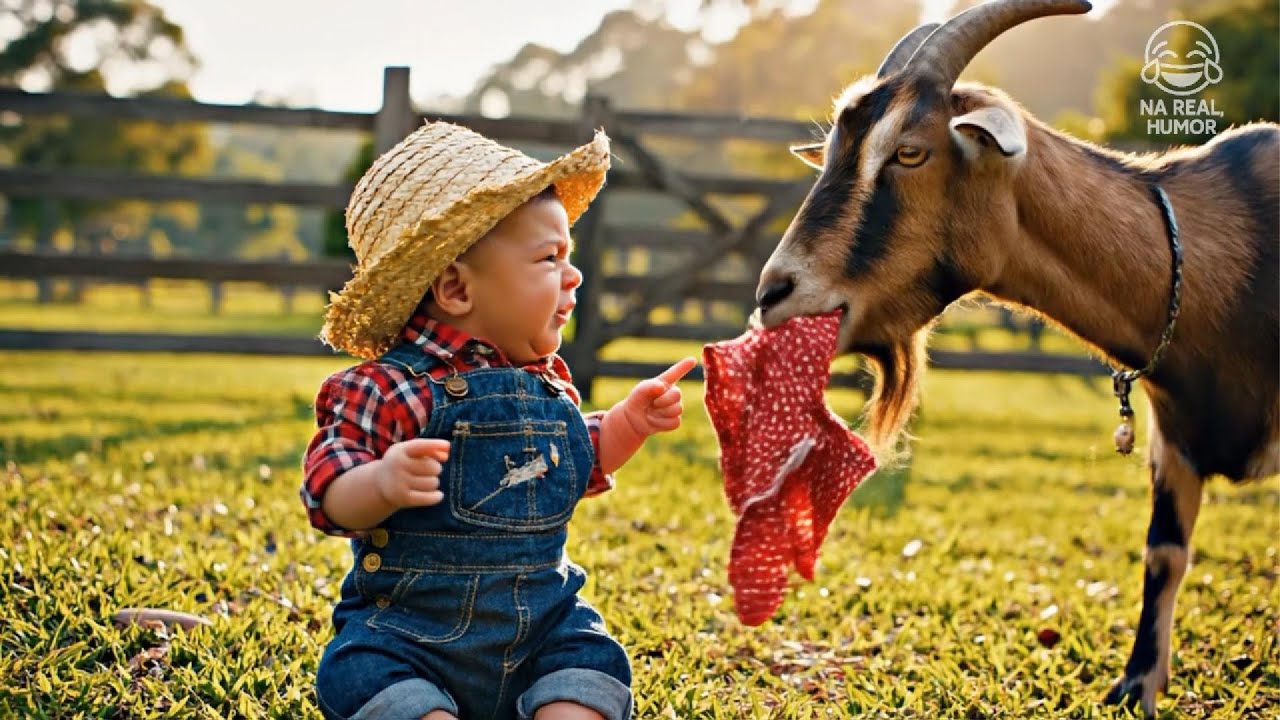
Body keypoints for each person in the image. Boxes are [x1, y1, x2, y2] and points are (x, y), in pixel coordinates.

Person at [301, 120, 695, 720]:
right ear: (456, 288)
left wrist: (627, 424)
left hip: (543, 629)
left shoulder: (546, 382)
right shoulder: (387, 388)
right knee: (369, 676)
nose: (574, 275)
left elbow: (577, 457)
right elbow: (326, 492)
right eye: (549, 258)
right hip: (409, 637)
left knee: (588, 664)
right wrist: (379, 483)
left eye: (569, 256)